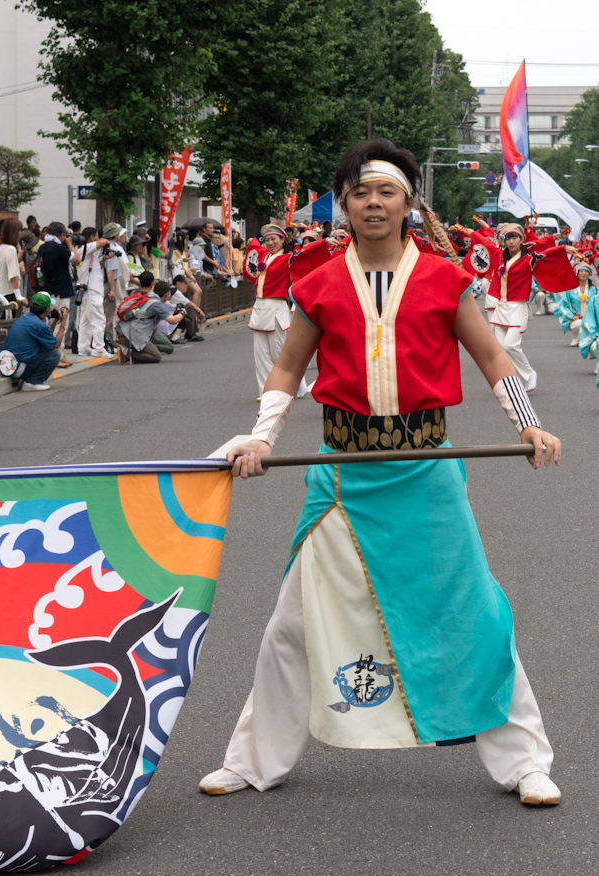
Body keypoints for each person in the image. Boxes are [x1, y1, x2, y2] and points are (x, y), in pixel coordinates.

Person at [200, 138, 562, 808]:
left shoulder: (444, 279)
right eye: (361, 192)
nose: (373, 202)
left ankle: (523, 762)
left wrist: (527, 423)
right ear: (344, 204)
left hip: (426, 470)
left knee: (474, 612)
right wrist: (260, 437)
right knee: (292, 624)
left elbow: (490, 356)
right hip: (343, 474)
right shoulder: (318, 283)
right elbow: (287, 369)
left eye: (387, 191)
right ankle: (252, 761)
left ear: (409, 202)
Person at [460, 221, 577, 391]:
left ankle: (530, 374)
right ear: (504, 240)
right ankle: (510, 381)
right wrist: (469, 230)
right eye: (508, 238)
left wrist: (562, 248)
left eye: (514, 237)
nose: (511, 241)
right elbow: (484, 242)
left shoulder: (529, 259)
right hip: (500, 307)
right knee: (500, 348)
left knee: (510, 345)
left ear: (521, 240)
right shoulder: (498, 254)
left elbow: (545, 252)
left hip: (517, 307)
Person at [242, 223, 309, 400]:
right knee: (261, 354)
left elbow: (306, 255)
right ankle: (266, 392)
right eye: (267, 240)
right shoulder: (265, 258)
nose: (270, 243)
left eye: (274, 239)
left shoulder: (288, 258)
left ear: (282, 240)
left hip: (277, 307)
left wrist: (326, 244)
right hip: (260, 308)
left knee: (280, 353)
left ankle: (296, 386)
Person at [0, 292, 62, 391]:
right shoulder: (39, 324)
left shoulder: (25, 318)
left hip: (6, 367)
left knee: (45, 348)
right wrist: (63, 324)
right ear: (47, 309)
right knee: (55, 354)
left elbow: (48, 340)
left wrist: (54, 322)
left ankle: (32, 380)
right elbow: (56, 344)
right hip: (16, 368)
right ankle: (32, 382)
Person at [115, 277, 186, 364]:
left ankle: (130, 352)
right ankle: (126, 354)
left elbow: (166, 316)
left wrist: (176, 313)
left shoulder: (149, 297)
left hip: (124, 330)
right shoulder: (156, 304)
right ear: (167, 294)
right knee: (156, 357)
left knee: (153, 334)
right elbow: (173, 320)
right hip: (130, 334)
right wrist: (182, 313)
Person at [74, 228, 114, 358]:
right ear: (91, 237)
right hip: (91, 290)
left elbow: (95, 268)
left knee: (85, 320)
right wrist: (106, 241)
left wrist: (105, 258)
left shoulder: (87, 252)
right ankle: (99, 348)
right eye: (97, 236)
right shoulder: (87, 247)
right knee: (99, 319)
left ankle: (84, 348)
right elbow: (102, 242)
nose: (98, 239)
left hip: (88, 289)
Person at [41, 222, 76, 368]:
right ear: (61, 234)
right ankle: (57, 356)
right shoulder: (59, 248)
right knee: (61, 322)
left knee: (52, 323)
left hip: (48, 290)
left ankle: (59, 355)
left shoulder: (43, 247)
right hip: (60, 290)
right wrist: (69, 244)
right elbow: (77, 260)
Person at [555, 262, 596, 346]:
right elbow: (563, 305)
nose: (584, 273)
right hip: (576, 317)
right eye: (581, 271)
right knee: (579, 323)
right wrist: (571, 316)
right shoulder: (570, 288)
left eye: (586, 271)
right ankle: (575, 337)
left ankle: (588, 338)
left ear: (589, 274)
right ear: (577, 273)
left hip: (590, 318)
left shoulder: (593, 289)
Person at [103, 223, 129, 348]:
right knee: (111, 312)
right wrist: (112, 289)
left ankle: (110, 337)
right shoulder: (112, 248)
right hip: (111, 283)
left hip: (111, 282)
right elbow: (110, 271)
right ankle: (111, 339)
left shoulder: (108, 246)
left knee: (110, 312)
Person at [0, 218, 26, 306]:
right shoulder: (11, 249)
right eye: (18, 230)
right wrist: (19, 296)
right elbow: (13, 275)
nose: (20, 233)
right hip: (8, 295)